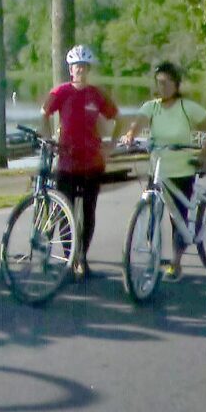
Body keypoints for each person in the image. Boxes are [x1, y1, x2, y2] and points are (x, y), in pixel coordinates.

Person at [118, 61, 206, 281]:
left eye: (166, 82)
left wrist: (203, 153)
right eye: (158, 82)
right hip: (158, 169)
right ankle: (153, 254)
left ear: (176, 84)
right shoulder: (151, 107)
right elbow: (138, 124)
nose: (161, 87)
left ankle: (176, 263)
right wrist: (130, 135)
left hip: (181, 170)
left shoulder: (186, 107)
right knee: (153, 212)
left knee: (177, 218)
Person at [41, 45, 119, 280]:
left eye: (84, 67)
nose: (81, 71)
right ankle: (70, 256)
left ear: (88, 69)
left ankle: (82, 257)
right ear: (71, 70)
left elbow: (118, 118)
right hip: (67, 161)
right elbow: (44, 112)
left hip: (92, 162)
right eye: (77, 67)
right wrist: (47, 138)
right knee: (65, 211)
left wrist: (111, 145)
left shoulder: (96, 94)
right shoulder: (61, 91)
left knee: (88, 210)